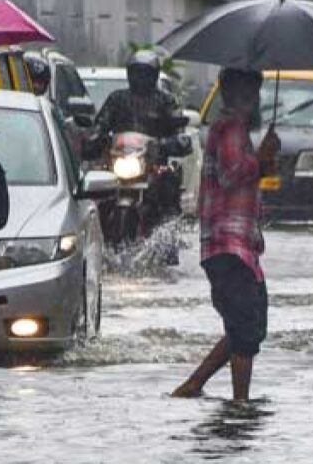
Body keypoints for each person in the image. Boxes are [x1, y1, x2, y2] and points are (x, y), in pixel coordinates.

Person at [172, 67, 280, 401]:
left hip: (239, 246)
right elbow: (233, 175)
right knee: (246, 325)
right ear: (236, 95)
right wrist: (261, 160)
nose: (255, 100)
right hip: (228, 247)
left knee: (248, 324)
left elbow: (237, 182)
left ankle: (195, 385)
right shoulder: (231, 127)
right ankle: (240, 403)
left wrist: (263, 163)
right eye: (250, 93)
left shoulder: (235, 129)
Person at [94, 50, 188, 243]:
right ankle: (97, 235)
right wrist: (96, 137)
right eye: (137, 73)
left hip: (153, 164)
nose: (140, 78)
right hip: (120, 160)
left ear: (153, 76)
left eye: (145, 74)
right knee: (95, 188)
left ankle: (167, 238)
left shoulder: (165, 101)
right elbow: (101, 123)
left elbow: (178, 130)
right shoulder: (117, 99)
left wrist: (173, 142)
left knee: (169, 182)